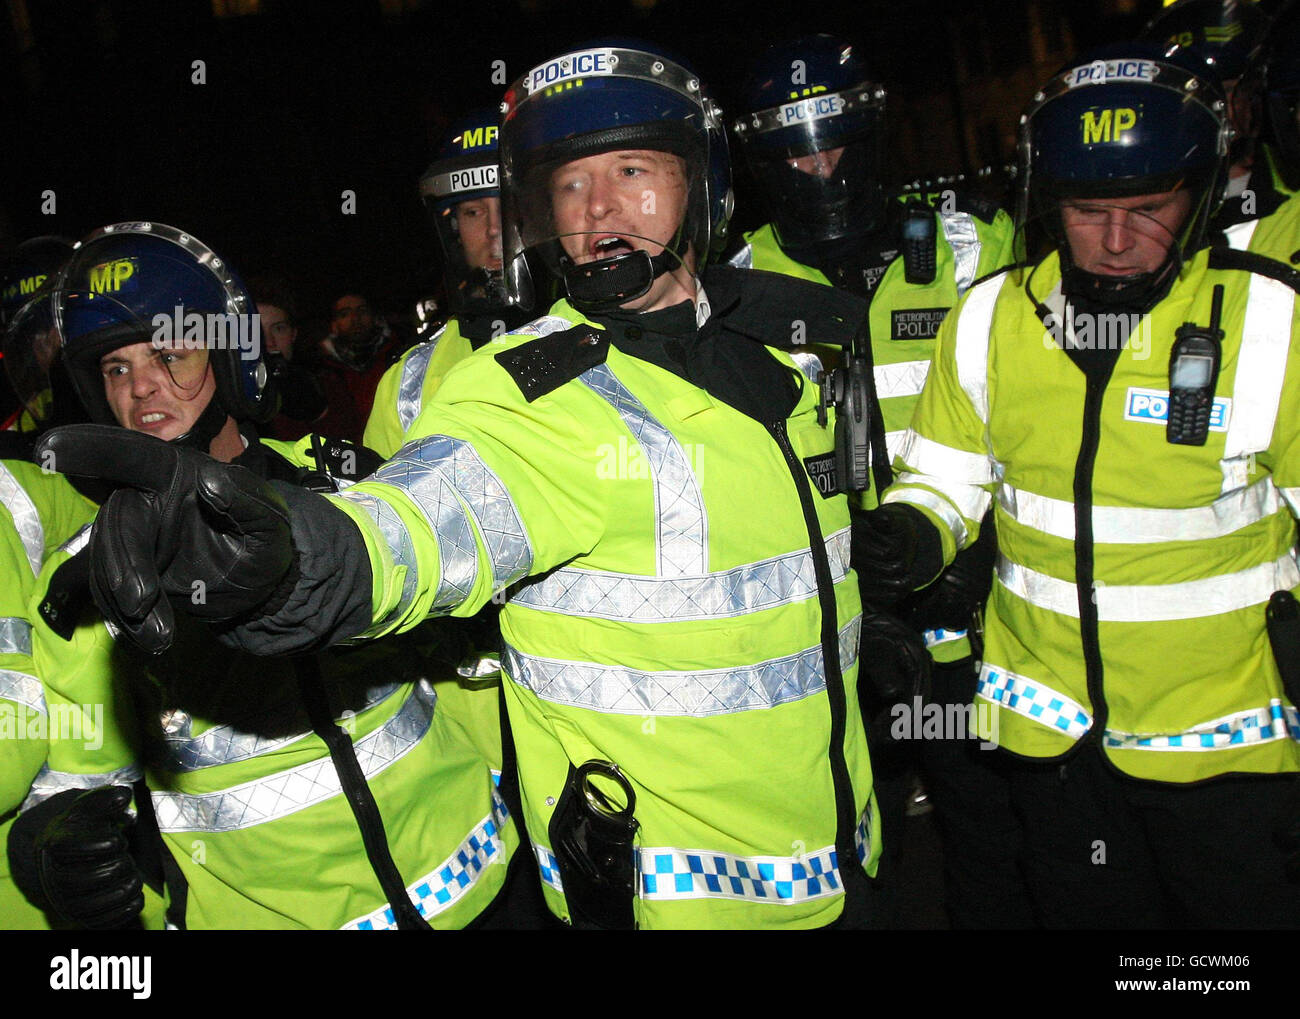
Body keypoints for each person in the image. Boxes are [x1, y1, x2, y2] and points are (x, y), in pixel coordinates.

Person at [44, 43, 881, 930]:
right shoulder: (526, 391)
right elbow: (402, 531)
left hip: (849, 853)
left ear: (700, 185)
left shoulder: (786, 345)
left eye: (632, 168)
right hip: (674, 902)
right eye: (568, 185)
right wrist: (286, 557)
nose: (598, 208)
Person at [865, 42, 1300, 927]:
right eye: (1086, 209)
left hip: (1220, 746)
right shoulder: (989, 316)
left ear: (1202, 192)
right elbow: (946, 475)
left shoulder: (1271, 318)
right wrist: (912, 530)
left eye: (1149, 208)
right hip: (1048, 733)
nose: (1113, 241)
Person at [9, 223, 531, 930]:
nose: (143, 389)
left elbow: (470, 652)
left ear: (229, 356)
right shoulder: (92, 574)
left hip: (484, 889)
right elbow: (79, 776)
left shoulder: (344, 484)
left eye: (171, 352)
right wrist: (51, 838)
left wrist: (503, 786)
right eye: (116, 369)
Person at [729, 33, 1024, 927]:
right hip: (830, 641)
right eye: (795, 147)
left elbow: (1028, 424)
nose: (820, 164)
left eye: (837, 137)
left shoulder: (978, 243)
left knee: (996, 849)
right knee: (856, 862)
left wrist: (988, 550)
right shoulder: (734, 286)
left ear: (876, 130)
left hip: (972, 621)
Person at [366, 107, 536, 459]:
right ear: (454, 229)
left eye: (508, 206)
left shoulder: (603, 335)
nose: (493, 228)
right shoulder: (407, 381)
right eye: (473, 211)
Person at [307, 290, 407, 444]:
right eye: (345, 314)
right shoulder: (319, 368)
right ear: (334, 324)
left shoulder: (401, 354)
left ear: (374, 316)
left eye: (362, 311)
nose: (355, 319)